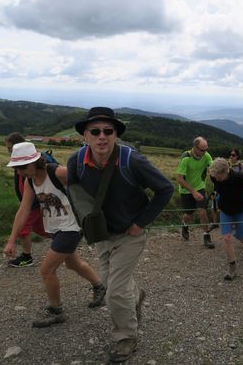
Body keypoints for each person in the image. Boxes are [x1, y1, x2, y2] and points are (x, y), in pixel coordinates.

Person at [66, 107, 173, 363]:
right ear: (85, 135)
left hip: (130, 234)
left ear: (115, 135)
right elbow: (74, 191)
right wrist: (85, 221)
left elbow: (165, 189)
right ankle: (136, 296)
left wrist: (141, 222)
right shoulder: (76, 162)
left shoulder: (131, 160)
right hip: (102, 234)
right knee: (112, 283)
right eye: (95, 131)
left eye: (108, 131)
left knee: (114, 290)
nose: (102, 136)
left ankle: (125, 338)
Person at [3, 142, 106, 328]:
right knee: (73, 263)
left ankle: (56, 311)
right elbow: (23, 210)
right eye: (17, 169)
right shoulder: (30, 181)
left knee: (46, 270)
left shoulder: (57, 172)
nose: (20, 172)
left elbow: (90, 182)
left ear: (36, 162)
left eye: (23, 167)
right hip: (56, 228)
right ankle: (100, 286)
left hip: (72, 227)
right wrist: (11, 239)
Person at [209, 158, 243, 280]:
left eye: (219, 176)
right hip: (225, 210)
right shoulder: (214, 176)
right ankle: (232, 267)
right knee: (226, 237)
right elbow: (217, 185)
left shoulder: (239, 177)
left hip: (241, 210)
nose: (217, 178)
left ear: (226, 171)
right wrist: (215, 192)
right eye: (215, 176)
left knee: (242, 237)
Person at [4, 132, 48, 268]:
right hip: (30, 202)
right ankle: (66, 239)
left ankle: (27, 256)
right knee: (40, 228)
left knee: (23, 228)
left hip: (33, 203)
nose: (9, 152)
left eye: (10, 148)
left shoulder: (28, 165)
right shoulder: (21, 165)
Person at [176, 137, 214, 248]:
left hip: (200, 187)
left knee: (202, 211)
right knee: (189, 214)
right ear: (195, 148)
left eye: (206, 149)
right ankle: (185, 225)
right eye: (202, 150)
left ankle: (206, 236)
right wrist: (193, 192)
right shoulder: (186, 158)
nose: (204, 152)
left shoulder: (206, 155)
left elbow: (213, 167)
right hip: (185, 189)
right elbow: (179, 178)